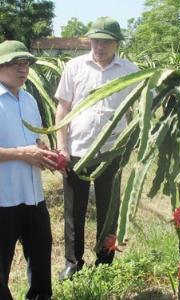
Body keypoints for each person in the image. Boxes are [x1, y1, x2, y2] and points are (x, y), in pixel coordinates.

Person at [55, 16, 140, 280]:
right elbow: (63, 109)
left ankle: (105, 262)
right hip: (77, 149)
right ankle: (73, 262)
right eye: (95, 40)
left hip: (112, 151)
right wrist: (61, 146)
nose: (99, 46)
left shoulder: (129, 70)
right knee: (74, 210)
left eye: (106, 41)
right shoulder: (75, 66)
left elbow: (141, 108)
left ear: (116, 43)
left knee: (109, 210)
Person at [0, 40, 57, 300]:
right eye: (15, 64)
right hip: (4, 198)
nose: (22, 70)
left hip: (34, 196)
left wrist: (41, 150)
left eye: (25, 64)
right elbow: (23, 149)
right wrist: (24, 153)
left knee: (41, 257)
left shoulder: (30, 99)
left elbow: (33, 139)